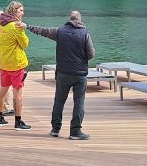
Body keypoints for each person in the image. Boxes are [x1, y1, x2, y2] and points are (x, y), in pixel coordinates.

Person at [27, 11, 96, 140]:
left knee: (59, 101)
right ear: (80, 20)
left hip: (63, 73)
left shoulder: (59, 32)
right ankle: (75, 132)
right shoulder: (85, 34)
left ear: (69, 19)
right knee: (79, 103)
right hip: (79, 74)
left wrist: (27, 26)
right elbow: (91, 54)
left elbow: (42, 31)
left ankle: (55, 128)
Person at [0, 1, 31, 130]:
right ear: (14, 11)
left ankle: (0, 117)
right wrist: (22, 30)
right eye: (21, 10)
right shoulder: (15, 26)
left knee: (2, 90)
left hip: (4, 63)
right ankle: (18, 121)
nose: (23, 13)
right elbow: (25, 43)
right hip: (16, 64)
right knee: (18, 94)